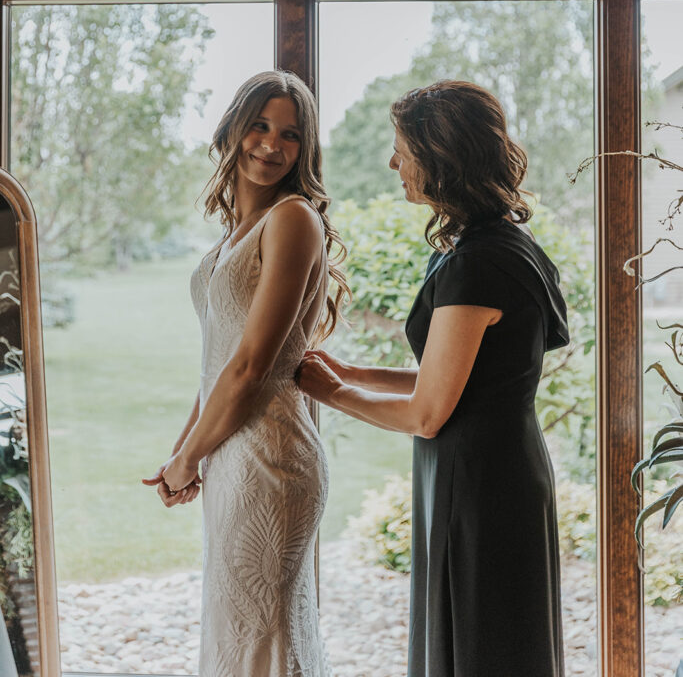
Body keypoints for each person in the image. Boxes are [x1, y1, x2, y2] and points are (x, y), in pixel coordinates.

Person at [297, 80, 568, 677]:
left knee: (482, 646)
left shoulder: (478, 262)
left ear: (441, 155)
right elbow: (464, 378)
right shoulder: (497, 243)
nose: (392, 162)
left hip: (479, 483)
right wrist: (351, 369)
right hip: (493, 466)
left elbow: (428, 411)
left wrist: (332, 392)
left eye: (402, 148)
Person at [143, 70, 348, 677]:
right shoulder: (233, 233)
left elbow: (253, 367)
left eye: (288, 134)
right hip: (229, 451)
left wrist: (186, 463)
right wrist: (186, 451)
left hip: (271, 457)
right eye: (259, 125)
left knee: (265, 634)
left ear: (303, 149)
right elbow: (217, 365)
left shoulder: (292, 220)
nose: (269, 144)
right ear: (235, 127)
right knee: (237, 629)